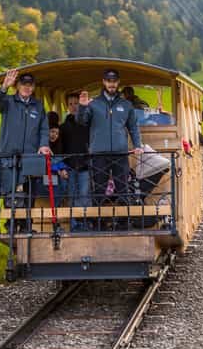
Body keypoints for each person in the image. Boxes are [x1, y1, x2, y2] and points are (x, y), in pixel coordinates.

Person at [77, 69, 143, 209]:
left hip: (120, 154)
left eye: (114, 81)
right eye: (108, 81)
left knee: (123, 190)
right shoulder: (93, 103)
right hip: (99, 154)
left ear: (118, 83)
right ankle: (98, 225)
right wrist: (82, 107)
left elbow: (133, 127)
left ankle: (124, 224)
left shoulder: (126, 105)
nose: (111, 84)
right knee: (99, 191)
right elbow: (81, 122)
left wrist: (138, 145)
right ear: (104, 82)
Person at [0, 70, 50, 229]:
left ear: (33, 88)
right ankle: (11, 224)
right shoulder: (8, 102)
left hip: (30, 157)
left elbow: (44, 129)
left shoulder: (38, 106)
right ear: (17, 86)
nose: (27, 88)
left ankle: (26, 224)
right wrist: (4, 86)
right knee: (10, 191)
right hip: (9, 155)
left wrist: (44, 144)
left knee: (29, 192)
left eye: (30, 85)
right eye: (23, 84)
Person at [60, 93, 92, 230]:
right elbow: (61, 148)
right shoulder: (63, 127)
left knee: (85, 194)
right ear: (67, 107)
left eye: (76, 103)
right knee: (72, 194)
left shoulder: (87, 124)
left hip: (85, 164)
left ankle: (85, 223)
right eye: (71, 104)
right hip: (70, 165)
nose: (74, 107)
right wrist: (62, 166)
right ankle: (74, 225)